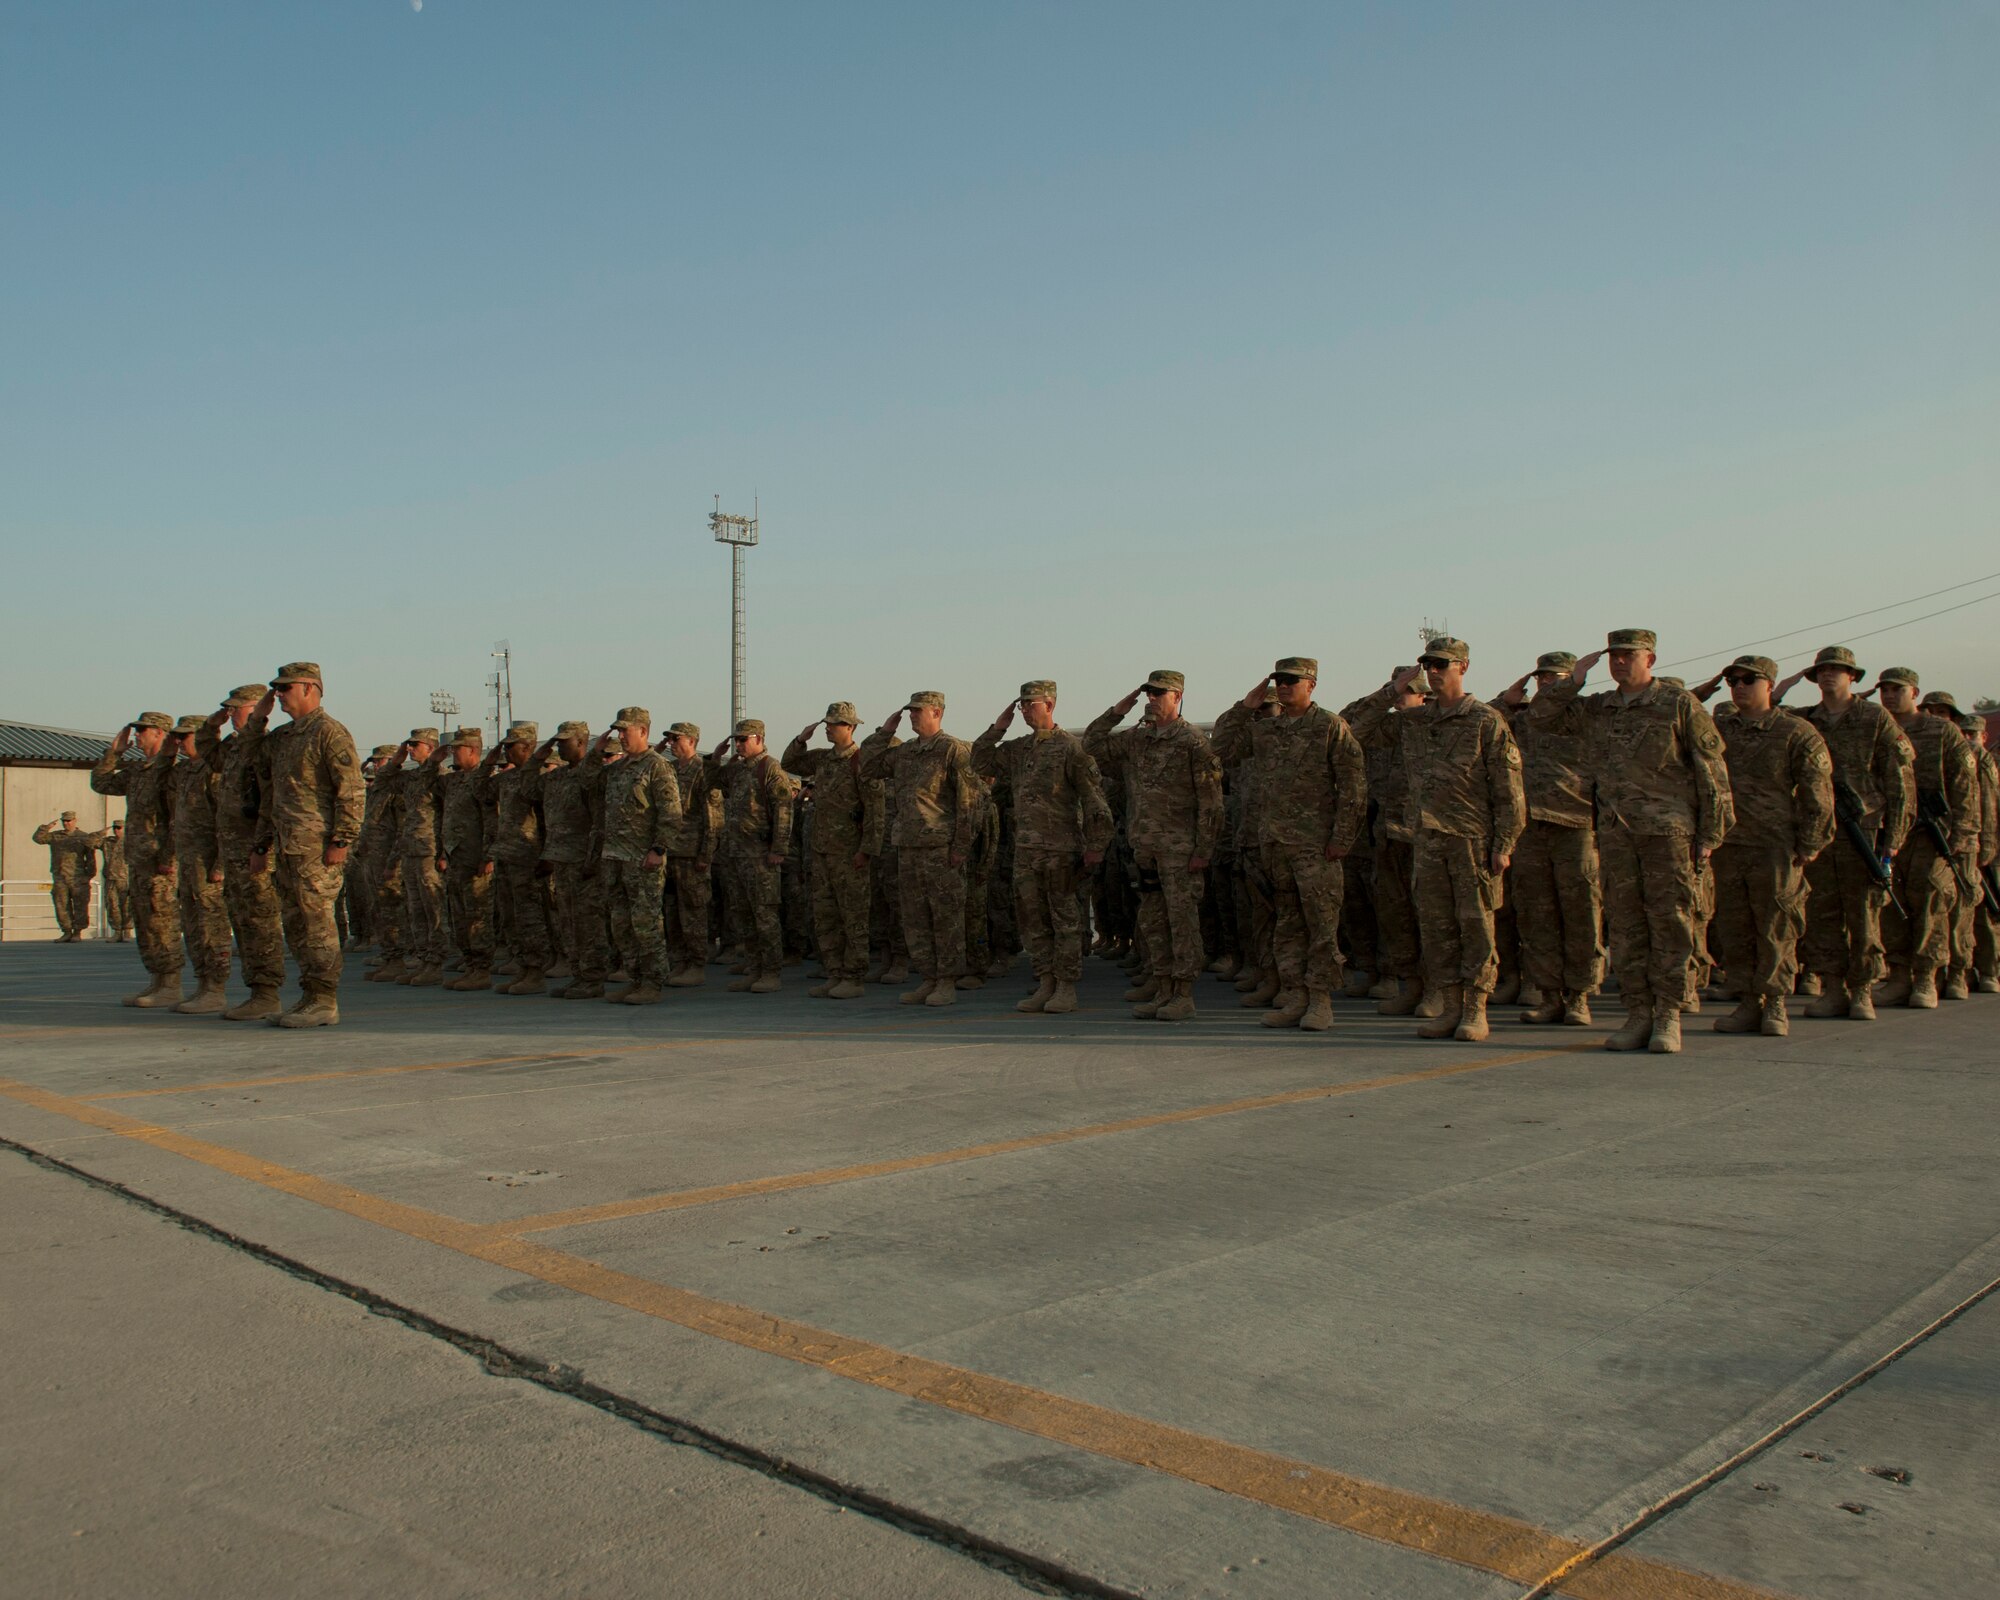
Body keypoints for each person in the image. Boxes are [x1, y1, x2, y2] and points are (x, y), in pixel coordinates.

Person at [1527, 629, 1733, 1054]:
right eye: (1614, 656)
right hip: (1617, 834)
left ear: (1650, 659)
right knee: (1626, 926)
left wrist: (1711, 833)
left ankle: (1669, 1015)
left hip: (1668, 834)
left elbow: (1712, 772)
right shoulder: (1599, 707)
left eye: (1629, 655)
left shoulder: (1677, 704)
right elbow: (1541, 715)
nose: (1619, 663)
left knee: (1670, 923)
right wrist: (1575, 679)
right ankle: (1638, 1013)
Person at [1212, 657, 1367, 1032]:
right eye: (1279, 680)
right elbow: (1220, 750)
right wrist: (1244, 707)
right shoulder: (1265, 731)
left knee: (1321, 926)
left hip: (1317, 847)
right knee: (1288, 926)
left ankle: (1320, 1001)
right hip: (1276, 846)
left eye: (1292, 680)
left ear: (1311, 685)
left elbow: (1353, 787)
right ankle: (1295, 995)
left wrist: (1341, 839)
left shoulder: (1330, 727)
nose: (1283, 686)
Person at [1383, 639, 1525, 1043]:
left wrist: (1504, 843)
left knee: (1476, 926)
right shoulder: (1414, 721)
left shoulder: (1485, 721)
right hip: (1427, 841)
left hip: (1471, 841)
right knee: (1437, 929)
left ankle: (1476, 1009)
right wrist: (1393, 692)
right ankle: (1450, 1007)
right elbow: (1353, 724)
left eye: (1442, 664)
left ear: (1463, 666)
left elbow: (1509, 790)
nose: (1433, 671)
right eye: (1427, 664)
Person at [1692, 656, 1833, 1037]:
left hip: (1776, 846)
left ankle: (1774, 1004)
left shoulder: (1795, 732)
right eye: (1732, 680)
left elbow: (1817, 794)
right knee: (1736, 928)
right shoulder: (1718, 729)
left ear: (1770, 684)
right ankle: (1747, 1002)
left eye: (1748, 680)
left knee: (1776, 927)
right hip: (1730, 844)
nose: (1738, 686)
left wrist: (1810, 842)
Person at [1772, 646, 1912, 1020]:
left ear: (1853, 677)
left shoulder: (1875, 718)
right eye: (1822, 671)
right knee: (1821, 913)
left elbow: (1899, 782)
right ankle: (1833, 987)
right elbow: (1761, 710)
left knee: (1863, 916)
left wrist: (1893, 840)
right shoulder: (1805, 720)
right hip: (1819, 830)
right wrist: (1782, 686)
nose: (1829, 675)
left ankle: (1863, 989)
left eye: (1838, 670)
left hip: (1864, 830)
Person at [1086, 672, 1224, 1022]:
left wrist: (1203, 850)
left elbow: (1211, 802)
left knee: (1182, 923)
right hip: (1146, 849)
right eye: (1148, 693)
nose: (1152, 698)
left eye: (1159, 693)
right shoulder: (1138, 740)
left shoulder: (1192, 742)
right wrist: (1120, 708)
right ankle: (1162, 988)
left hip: (1180, 850)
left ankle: (1183, 994)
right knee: (1153, 921)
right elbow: (1092, 744)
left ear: (1177, 696)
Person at [973, 681, 1114, 1015]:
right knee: (1032, 922)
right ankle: (1045, 982)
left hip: (1061, 851)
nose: (1024, 710)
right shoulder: (1019, 749)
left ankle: (1066, 987)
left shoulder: (1070, 749)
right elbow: (979, 761)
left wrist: (1095, 846)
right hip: (1027, 851)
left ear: (1049, 705)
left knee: (1064, 921)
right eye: (1020, 704)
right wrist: (998, 727)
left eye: (1029, 704)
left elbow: (1096, 802)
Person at [249, 663, 364, 1027]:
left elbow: (351, 790)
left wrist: (341, 840)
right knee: (296, 923)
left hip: (316, 847)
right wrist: (258, 718)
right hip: (287, 846)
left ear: (311, 688)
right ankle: (309, 995)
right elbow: (248, 758)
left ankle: (325, 999)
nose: (279, 694)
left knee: (317, 924)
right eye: (277, 689)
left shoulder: (329, 732)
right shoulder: (283, 737)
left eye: (286, 688)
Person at [1497, 652, 1602, 1026]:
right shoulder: (1524, 720)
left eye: (1554, 679)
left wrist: (1569, 687)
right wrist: (1507, 698)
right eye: (1540, 680)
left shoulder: (1587, 713)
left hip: (1575, 824)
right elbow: (1492, 718)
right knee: (1536, 915)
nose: (1546, 686)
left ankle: (1580, 996)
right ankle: (1550, 995)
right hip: (1531, 826)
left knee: (1579, 914)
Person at [859, 693, 978, 1006]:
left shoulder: (952, 749)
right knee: (915, 919)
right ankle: (928, 977)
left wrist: (961, 847)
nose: (911, 716)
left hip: (940, 846)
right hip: (908, 845)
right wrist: (884, 733)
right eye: (909, 711)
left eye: (917, 711)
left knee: (945, 917)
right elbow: (867, 767)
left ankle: (947, 981)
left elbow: (968, 802)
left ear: (936, 712)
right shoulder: (905, 752)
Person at [1874, 668, 1977, 1008]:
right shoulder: (1878, 728)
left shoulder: (1942, 730)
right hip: (1888, 831)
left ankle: (1926, 978)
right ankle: (1899, 976)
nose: (1889, 696)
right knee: (1893, 906)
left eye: (1897, 689)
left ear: (1915, 693)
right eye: (1884, 690)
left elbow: (1964, 783)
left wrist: (1962, 831)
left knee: (1931, 904)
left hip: (1933, 833)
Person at [784, 704, 884, 1000]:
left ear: (850, 727)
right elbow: (790, 761)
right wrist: (802, 738)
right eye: (826, 723)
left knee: (852, 916)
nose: (828, 728)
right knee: (825, 915)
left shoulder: (862, 761)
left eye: (834, 724)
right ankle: (835, 972)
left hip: (850, 853)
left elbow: (875, 811)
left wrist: (866, 850)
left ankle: (853, 977)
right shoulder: (822, 759)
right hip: (823, 851)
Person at [203, 685, 287, 1020]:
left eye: (235, 709)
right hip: (234, 849)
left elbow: (270, 800)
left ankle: (267, 993)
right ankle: (256, 991)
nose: (231, 714)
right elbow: (209, 755)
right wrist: (212, 725)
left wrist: (262, 846)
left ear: (255, 710)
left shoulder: (264, 746)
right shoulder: (234, 747)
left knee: (260, 921)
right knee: (242, 920)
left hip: (255, 850)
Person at [91, 711, 184, 1006]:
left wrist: (168, 856)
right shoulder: (137, 771)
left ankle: (171, 983)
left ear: (160, 734)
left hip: (160, 859)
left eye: (143, 731)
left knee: (162, 919)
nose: (138, 736)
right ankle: (156, 980)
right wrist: (115, 752)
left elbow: (175, 820)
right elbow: (102, 783)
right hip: (139, 857)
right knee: (144, 921)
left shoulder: (171, 771)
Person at [593, 707, 683, 1004]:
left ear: (643, 732)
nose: (620, 737)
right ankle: (634, 978)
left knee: (646, 923)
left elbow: (671, 812)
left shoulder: (657, 766)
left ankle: (652, 982)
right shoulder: (617, 769)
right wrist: (595, 753)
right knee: (621, 923)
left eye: (625, 731)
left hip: (642, 859)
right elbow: (585, 782)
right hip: (615, 858)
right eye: (617, 731)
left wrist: (658, 848)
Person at [1919, 695, 1993, 1001]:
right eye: (1932, 712)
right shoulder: (1919, 745)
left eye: (1943, 714)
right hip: (1929, 839)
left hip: (1963, 840)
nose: (1937, 718)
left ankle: (1967, 971)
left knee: (1967, 908)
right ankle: (1933, 972)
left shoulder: (1969, 752)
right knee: (1932, 908)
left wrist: (1986, 842)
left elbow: (1985, 804)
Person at [715, 719, 794, 993]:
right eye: (735, 740)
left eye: (743, 739)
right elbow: (713, 781)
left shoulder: (769, 767)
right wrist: (716, 757)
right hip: (737, 853)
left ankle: (771, 971)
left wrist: (778, 848)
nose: (739, 744)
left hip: (760, 855)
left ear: (759, 738)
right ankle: (753, 967)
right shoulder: (736, 769)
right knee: (743, 914)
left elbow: (784, 809)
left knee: (765, 915)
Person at [166, 713, 232, 1015]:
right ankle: (202, 984)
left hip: (208, 865)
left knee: (212, 926)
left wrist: (220, 864)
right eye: (176, 737)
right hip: (189, 863)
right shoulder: (183, 772)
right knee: (192, 927)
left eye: (184, 737)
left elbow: (225, 818)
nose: (179, 743)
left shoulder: (212, 772)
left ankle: (216, 988)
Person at [485, 722, 556, 994]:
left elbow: (550, 818)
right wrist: (488, 762)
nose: (505, 752)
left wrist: (546, 854)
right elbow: (481, 793)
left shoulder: (541, 778)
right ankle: (523, 967)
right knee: (511, 916)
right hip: (506, 854)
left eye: (509, 746)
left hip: (528, 856)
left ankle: (536, 971)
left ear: (527, 748)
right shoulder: (506, 778)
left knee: (530, 917)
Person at [434, 728, 496, 990]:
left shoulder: (483, 781)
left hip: (475, 860)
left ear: (472, 750)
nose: (452, 753)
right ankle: (469, 965)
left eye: (456, 748)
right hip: (456, 858)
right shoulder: (454, 781)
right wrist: (434, 760)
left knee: (477, 916)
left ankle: (481, 969)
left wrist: (488, 855)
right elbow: (426, 782)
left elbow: (491, 820)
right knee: (459, 916)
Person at [661, 722, 722, 985]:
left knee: (694, 911)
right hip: (669, 852)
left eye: (677, 739)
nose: (672, 743)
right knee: (672, 912)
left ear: (692, 741)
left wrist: (705, 854)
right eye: (670, 739)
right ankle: (679, 961)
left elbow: (713, 818)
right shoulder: (669, 769)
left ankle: (696, 965)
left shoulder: (703, 771)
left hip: (691, 852)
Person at [31, 810, 107, 942]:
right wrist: (45, 828)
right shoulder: (56, 836)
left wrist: (88, 876)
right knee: (61, 905)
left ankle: (77, 932)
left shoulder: (83, 837)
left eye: (69, 820)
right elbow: (38, 839)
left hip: (78, 878)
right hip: (60, 877)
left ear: (75, 821)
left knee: (80, 906)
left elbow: (90, 858)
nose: (66, 823)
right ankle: (66, 931)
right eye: (64, 821)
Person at [100, 821, 131, 940]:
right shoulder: (107, 842)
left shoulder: (130, 842)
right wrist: (101, 833)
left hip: (125, 879)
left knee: (127, 905)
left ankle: (127, 931)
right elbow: (90, 842)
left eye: (119, 828)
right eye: (115, 828)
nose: (116, 830)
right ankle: (117, 931)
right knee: (112, 905)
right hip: (111, 879)